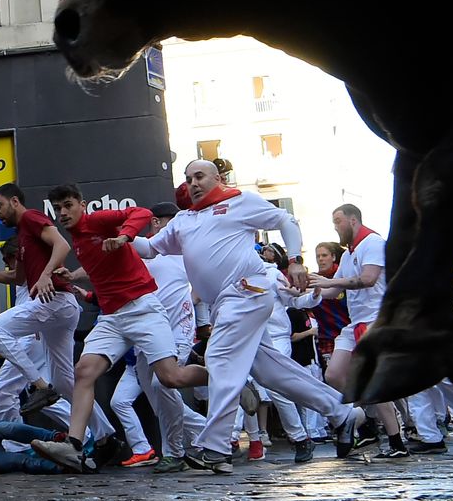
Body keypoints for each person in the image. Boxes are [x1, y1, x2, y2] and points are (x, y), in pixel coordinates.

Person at [133, 161, 361, 472]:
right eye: (188, 179)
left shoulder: (239, 201)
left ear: (217, 178)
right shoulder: (183, 220)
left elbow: (286, 220)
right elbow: (149, 248)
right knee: (271, 373)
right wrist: (119, 239)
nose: (193, 183)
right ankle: (342, 413)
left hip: (246, 292)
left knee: (220, 359)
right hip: (225, 303)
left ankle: (215, 447)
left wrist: (295, 261)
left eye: (199, 176)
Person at [30, 186, 207, 471]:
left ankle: (224, 375)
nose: (63, 212)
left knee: (170, 378)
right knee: (84, 371)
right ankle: (74, 447)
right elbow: (99, 266)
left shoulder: (98, 220)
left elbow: (142, 213)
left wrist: (124, 236)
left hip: (143, 309)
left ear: (82, 205)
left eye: (68, 205)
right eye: (58, 208)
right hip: (112, 319)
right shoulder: (77, 241)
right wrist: (73, 275)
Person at [0, 183, 94, 436]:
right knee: (65, 384)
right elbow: (17, 278)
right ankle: (102, 436)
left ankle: (39, 389)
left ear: (15, 202)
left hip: (54, 301)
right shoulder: (23, 235)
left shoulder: (32, 217)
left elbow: (62, 245)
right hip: (61, 308)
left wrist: (44, 276)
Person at [308, 204, 406, 456]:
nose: (335, 227)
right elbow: (332, 291)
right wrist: (308, 290)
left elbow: (368, 279)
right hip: (355, 323)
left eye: (338, 221)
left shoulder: (372, 242)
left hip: (375, 320)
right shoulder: (348, 253)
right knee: (334, 375)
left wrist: (329, 281)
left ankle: (396, 442)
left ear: (353, 220)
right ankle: (370, 424)